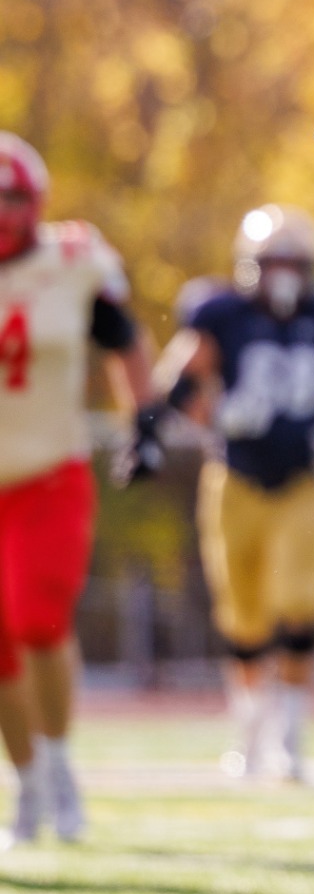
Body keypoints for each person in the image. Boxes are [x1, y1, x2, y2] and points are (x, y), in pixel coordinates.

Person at [143, 206, 314, 782]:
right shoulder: (221, 313)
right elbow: (173, 382)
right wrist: (216, 415)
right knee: (243, 612)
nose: (284, 275)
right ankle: (249, 731)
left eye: (294, 264)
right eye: (274, 262)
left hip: (310, 478)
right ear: (250, 265)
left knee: (302, 602)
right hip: (237, 477)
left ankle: (290, 738)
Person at [0, 133, 152, 846]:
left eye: (9, 197)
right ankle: (26, 781)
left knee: (38, 620)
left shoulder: (73, 260)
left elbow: (125, 341)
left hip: (50, 473)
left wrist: (143, 420)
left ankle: (59, 766)